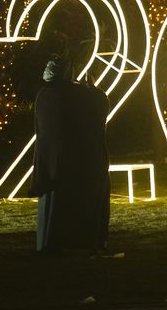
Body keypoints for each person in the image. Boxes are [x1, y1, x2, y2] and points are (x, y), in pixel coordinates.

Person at [28, 55, 111, 253]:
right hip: (74, 164)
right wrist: (92, 90)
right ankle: (76, 241)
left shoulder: (47, 95)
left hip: (53, 164)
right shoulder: (72, 95)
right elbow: (99, 108)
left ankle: (53, 242)